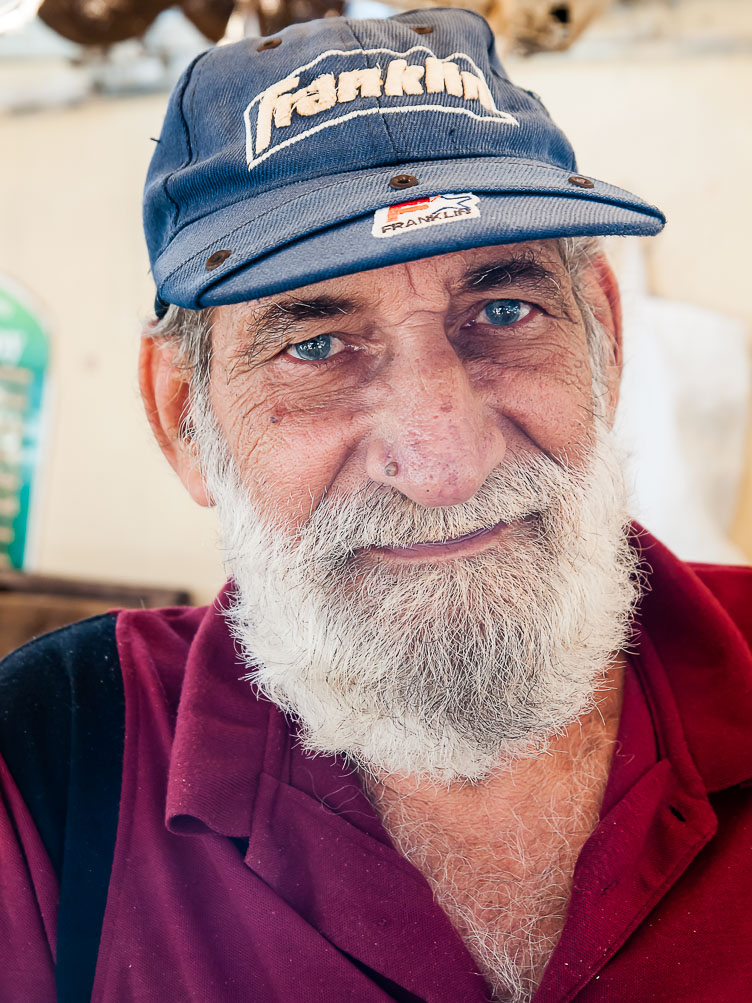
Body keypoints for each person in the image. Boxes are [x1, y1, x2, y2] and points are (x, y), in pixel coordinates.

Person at [1, 8, 751, 1002]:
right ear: (186, 420)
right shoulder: (50, 762)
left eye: (501, 311)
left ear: (601, 341)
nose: (441, 464)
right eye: (314, 346)